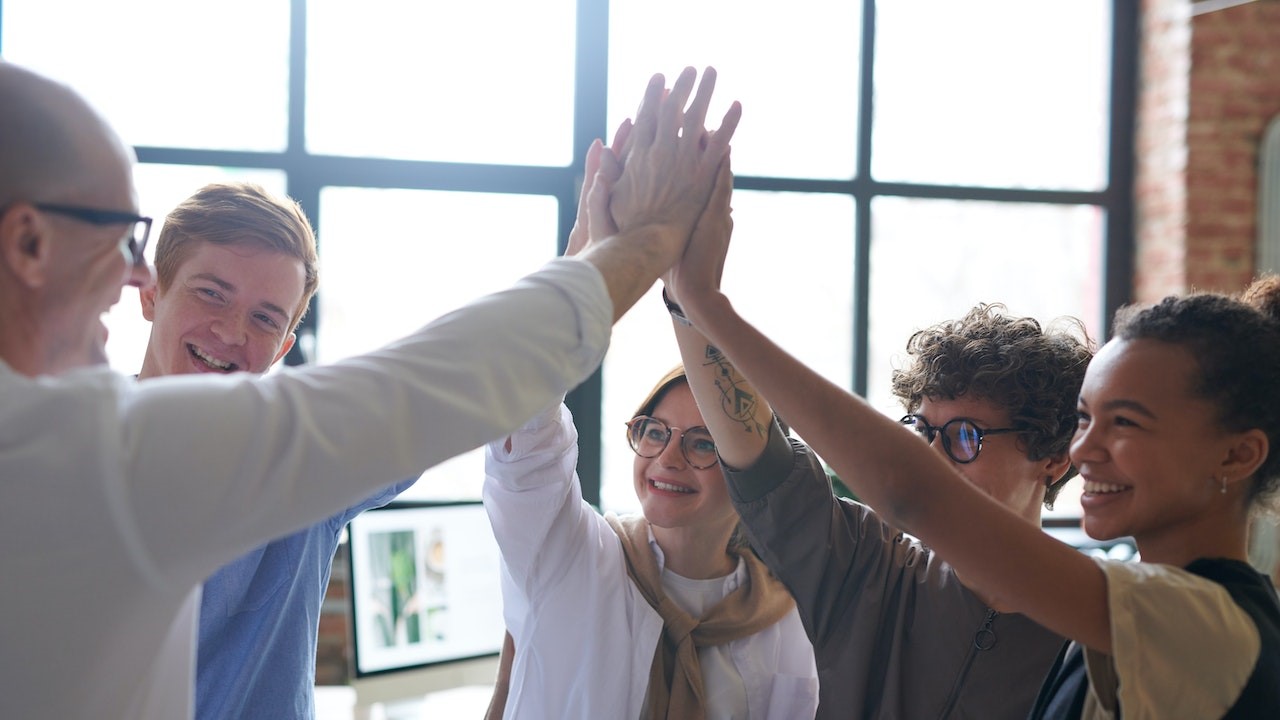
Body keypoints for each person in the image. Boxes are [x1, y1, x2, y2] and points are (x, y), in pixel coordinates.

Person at [0, 59, 740, 720]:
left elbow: (447, 393)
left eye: (264, 316)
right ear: (30, 244)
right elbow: (433, 385)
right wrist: (645, 243)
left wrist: (591, 251)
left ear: (287, 343)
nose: (130, 269)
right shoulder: (106, 449)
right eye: (120, 236)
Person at [668, 167, 1280, 716]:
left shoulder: (1189, 621)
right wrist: (685, 300)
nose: (1090, 447)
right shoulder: (882, 568)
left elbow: (913, 491)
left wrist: (706, 303)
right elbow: (764, 459)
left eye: (1126, 422)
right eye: (1087, 418)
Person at [659, 159, 1090, 719]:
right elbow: (760, 455)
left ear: (1054, 459)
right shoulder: (869, 564)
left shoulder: (1093, 621)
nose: (930, 456)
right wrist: (687, 301)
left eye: (964, 436)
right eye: (920, 430)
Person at [481, 144, 818, 720]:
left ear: (748, 464)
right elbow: (525, 437)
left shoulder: (783, 611)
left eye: (703, 441)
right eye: (654, 431)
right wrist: (584, 273)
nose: (667, 458)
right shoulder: (573, 558)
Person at [133, 181, 416, 720]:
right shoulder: (69, 445)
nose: (231, 330)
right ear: (150, 292)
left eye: (265, 318)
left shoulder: (307, 460)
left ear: (284, 346)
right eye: (211, 292)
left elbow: (435, 402)